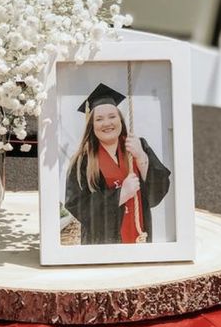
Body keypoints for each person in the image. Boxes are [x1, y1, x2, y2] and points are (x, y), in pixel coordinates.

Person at [64, 83, 171, 245]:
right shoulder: (82, 160)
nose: (107, 123)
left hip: (140, 235)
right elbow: (76, 205)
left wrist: (141, 157)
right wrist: (120, 195)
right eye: (99, 119)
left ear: (120, 119)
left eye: (112, 116)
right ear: (91, 125)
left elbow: (157, 194)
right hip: (101, 244)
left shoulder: (138, 146)